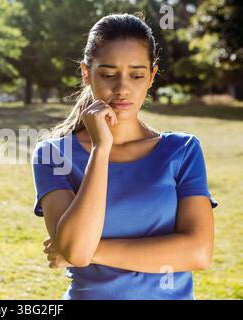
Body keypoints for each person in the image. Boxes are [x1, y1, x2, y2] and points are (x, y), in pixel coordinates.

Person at [31, 13, 218, 300]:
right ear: (85, 72)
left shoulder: (182, 151)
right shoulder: (54, 154)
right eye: (107, 74)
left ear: (152, 76)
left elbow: (198, 253)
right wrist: (100, 149)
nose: (122, 89)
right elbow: (76, 251)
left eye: (137, 74)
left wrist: (89, 251)